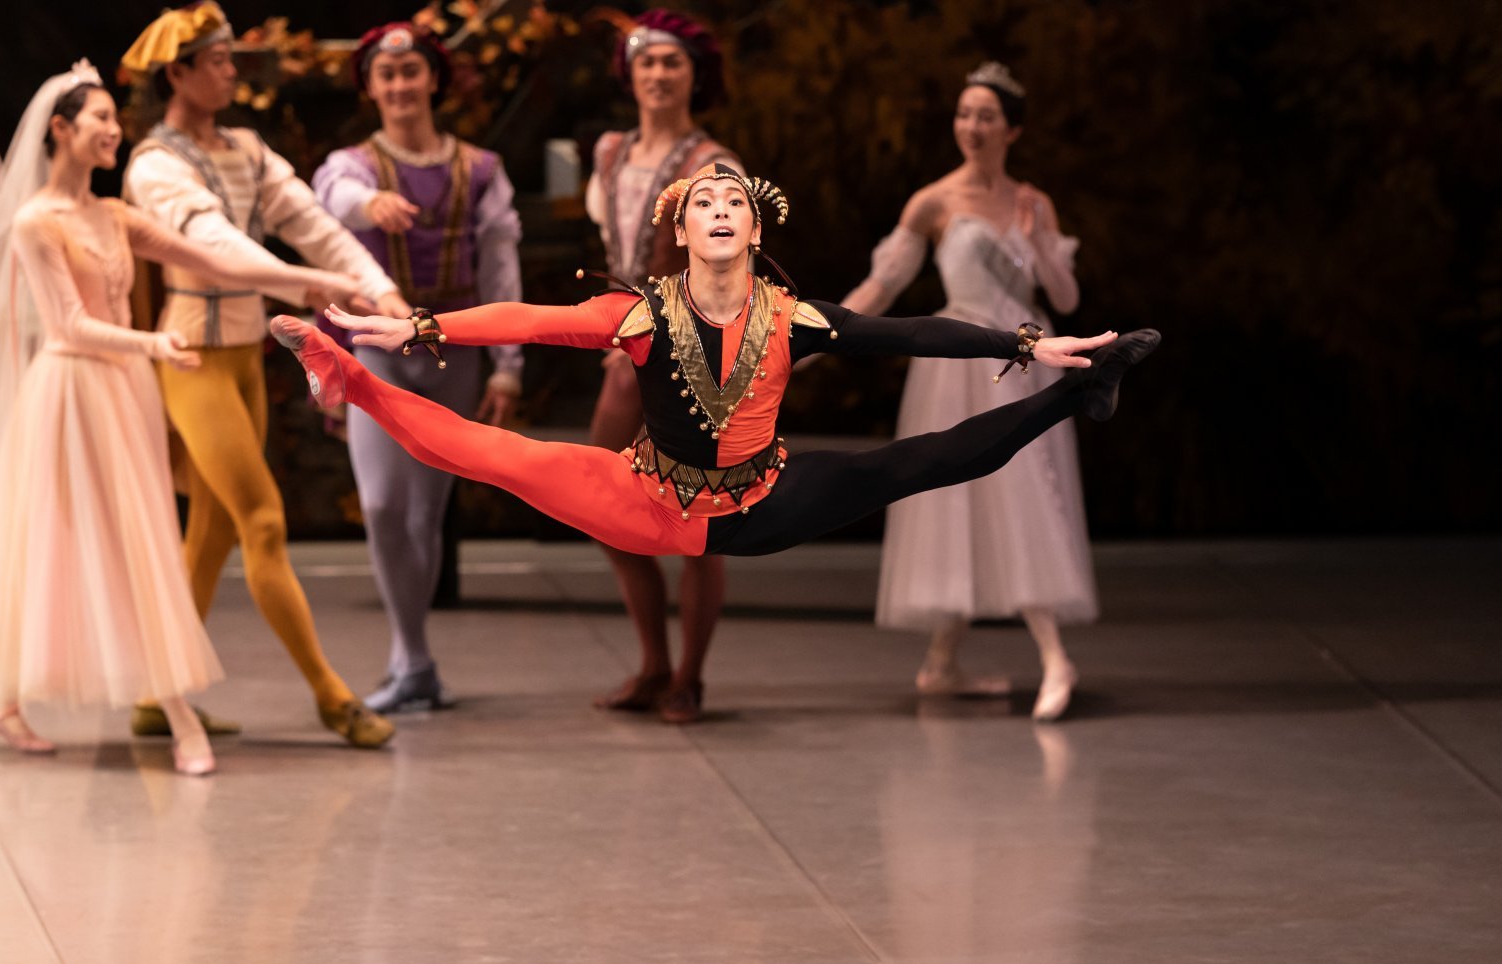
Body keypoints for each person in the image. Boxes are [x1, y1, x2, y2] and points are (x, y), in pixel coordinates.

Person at [272, 164, 1158, 701]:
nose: (722, 211)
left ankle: (1077, 396)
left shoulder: (794, 315)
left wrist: (1031, 344)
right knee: (484, 452)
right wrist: (418, 329)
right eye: (706, 203)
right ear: (685, 227)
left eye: (736, 202)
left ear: (755, 226)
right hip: (645, 497)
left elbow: (912, 331)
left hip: (760, 501)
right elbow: (532, 318)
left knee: (917, 464)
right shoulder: (640, 311)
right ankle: (342, 374)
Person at [0, 63, 363, 774]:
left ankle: (5, 696)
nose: (115, 130)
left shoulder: (112, 214)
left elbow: (212, 261)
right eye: (100, 120)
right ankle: (177, 717)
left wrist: (320, 280)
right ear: (61, 130)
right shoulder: (35, 222)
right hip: (72, 392)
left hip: (122, 391)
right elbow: (71, 325)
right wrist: (151, 343)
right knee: (112, 547)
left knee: (116, 542)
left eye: (116, 119)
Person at [119, 2, 404, 747]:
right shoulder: (155, 164)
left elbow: (309, 219)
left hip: (242, 356)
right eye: (216, 61)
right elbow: (215, 246)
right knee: (264, 522)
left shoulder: (244, 148)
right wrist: (308, 286)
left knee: (211, 534)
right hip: (193, 358)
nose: (230, 72)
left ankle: (158, 693)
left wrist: (377, 288)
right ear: (177, 73)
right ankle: (329, 693)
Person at [844, 63, 1095, 720]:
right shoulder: (934, 202)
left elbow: (1065, 296)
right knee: (958, 496)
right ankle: (942, 662)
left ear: (1011, 129)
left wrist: (1040, 239)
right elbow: (882, 288)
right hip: (957, 364)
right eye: (964, 114)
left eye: (986, 116)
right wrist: (813, 334)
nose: (972, 126)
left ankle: (1051, 655)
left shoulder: (1032, 202)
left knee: (1024, 494)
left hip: (1028, 358)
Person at [312, 21, 524, 712]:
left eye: (411, 73)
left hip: (452, 348)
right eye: (386, 76)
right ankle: (410, 656)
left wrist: (506, 366)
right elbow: (331, 203)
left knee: (425, 515)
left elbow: (500, 271)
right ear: (370, 88)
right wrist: (368, 205)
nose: (400, 86)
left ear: (434, 78)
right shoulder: (353, 166)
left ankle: (417, 660)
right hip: (377, 348)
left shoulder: (481, 170)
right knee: (379, 503)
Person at [582, 9, 739, 723]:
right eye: (646, 62)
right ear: (628, 73)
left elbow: (730, 263)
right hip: (625, 338)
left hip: (691, 342)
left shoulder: (714, 162)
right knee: (609, 508)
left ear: (694, 74)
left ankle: (691, 676)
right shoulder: (610, 151)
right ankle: (652, 661)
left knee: (698, 514)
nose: (658, 74)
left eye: (672, 62)